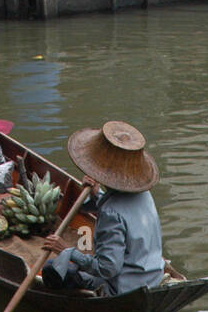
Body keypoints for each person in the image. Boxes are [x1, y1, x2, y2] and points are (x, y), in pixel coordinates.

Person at [41, 121, 166, 297]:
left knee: (51, 270)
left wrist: (66, 251)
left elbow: (107, 269)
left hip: (123, 289)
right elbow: (122, 212)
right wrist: (96, 194)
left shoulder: (111, 211)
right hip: (152, 276)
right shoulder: (144, 194)